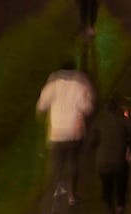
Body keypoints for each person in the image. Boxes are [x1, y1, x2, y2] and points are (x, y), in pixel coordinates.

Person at [39, 60, 97, 211]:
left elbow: (41, 105)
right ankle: (72, 194)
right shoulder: (79, 85)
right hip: (74, 132)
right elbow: (88, 108)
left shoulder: (52, 85)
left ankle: (57, 190)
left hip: (56, 132)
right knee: (73, 162)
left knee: (57, 163)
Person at [93, 97, 131, 214]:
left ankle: (109, 207)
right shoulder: (124, 121)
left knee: (107, 186)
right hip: (119, 161)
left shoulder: (99, 122)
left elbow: (92, 142)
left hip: (103, 162)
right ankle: (120, 205)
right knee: (121, 183)